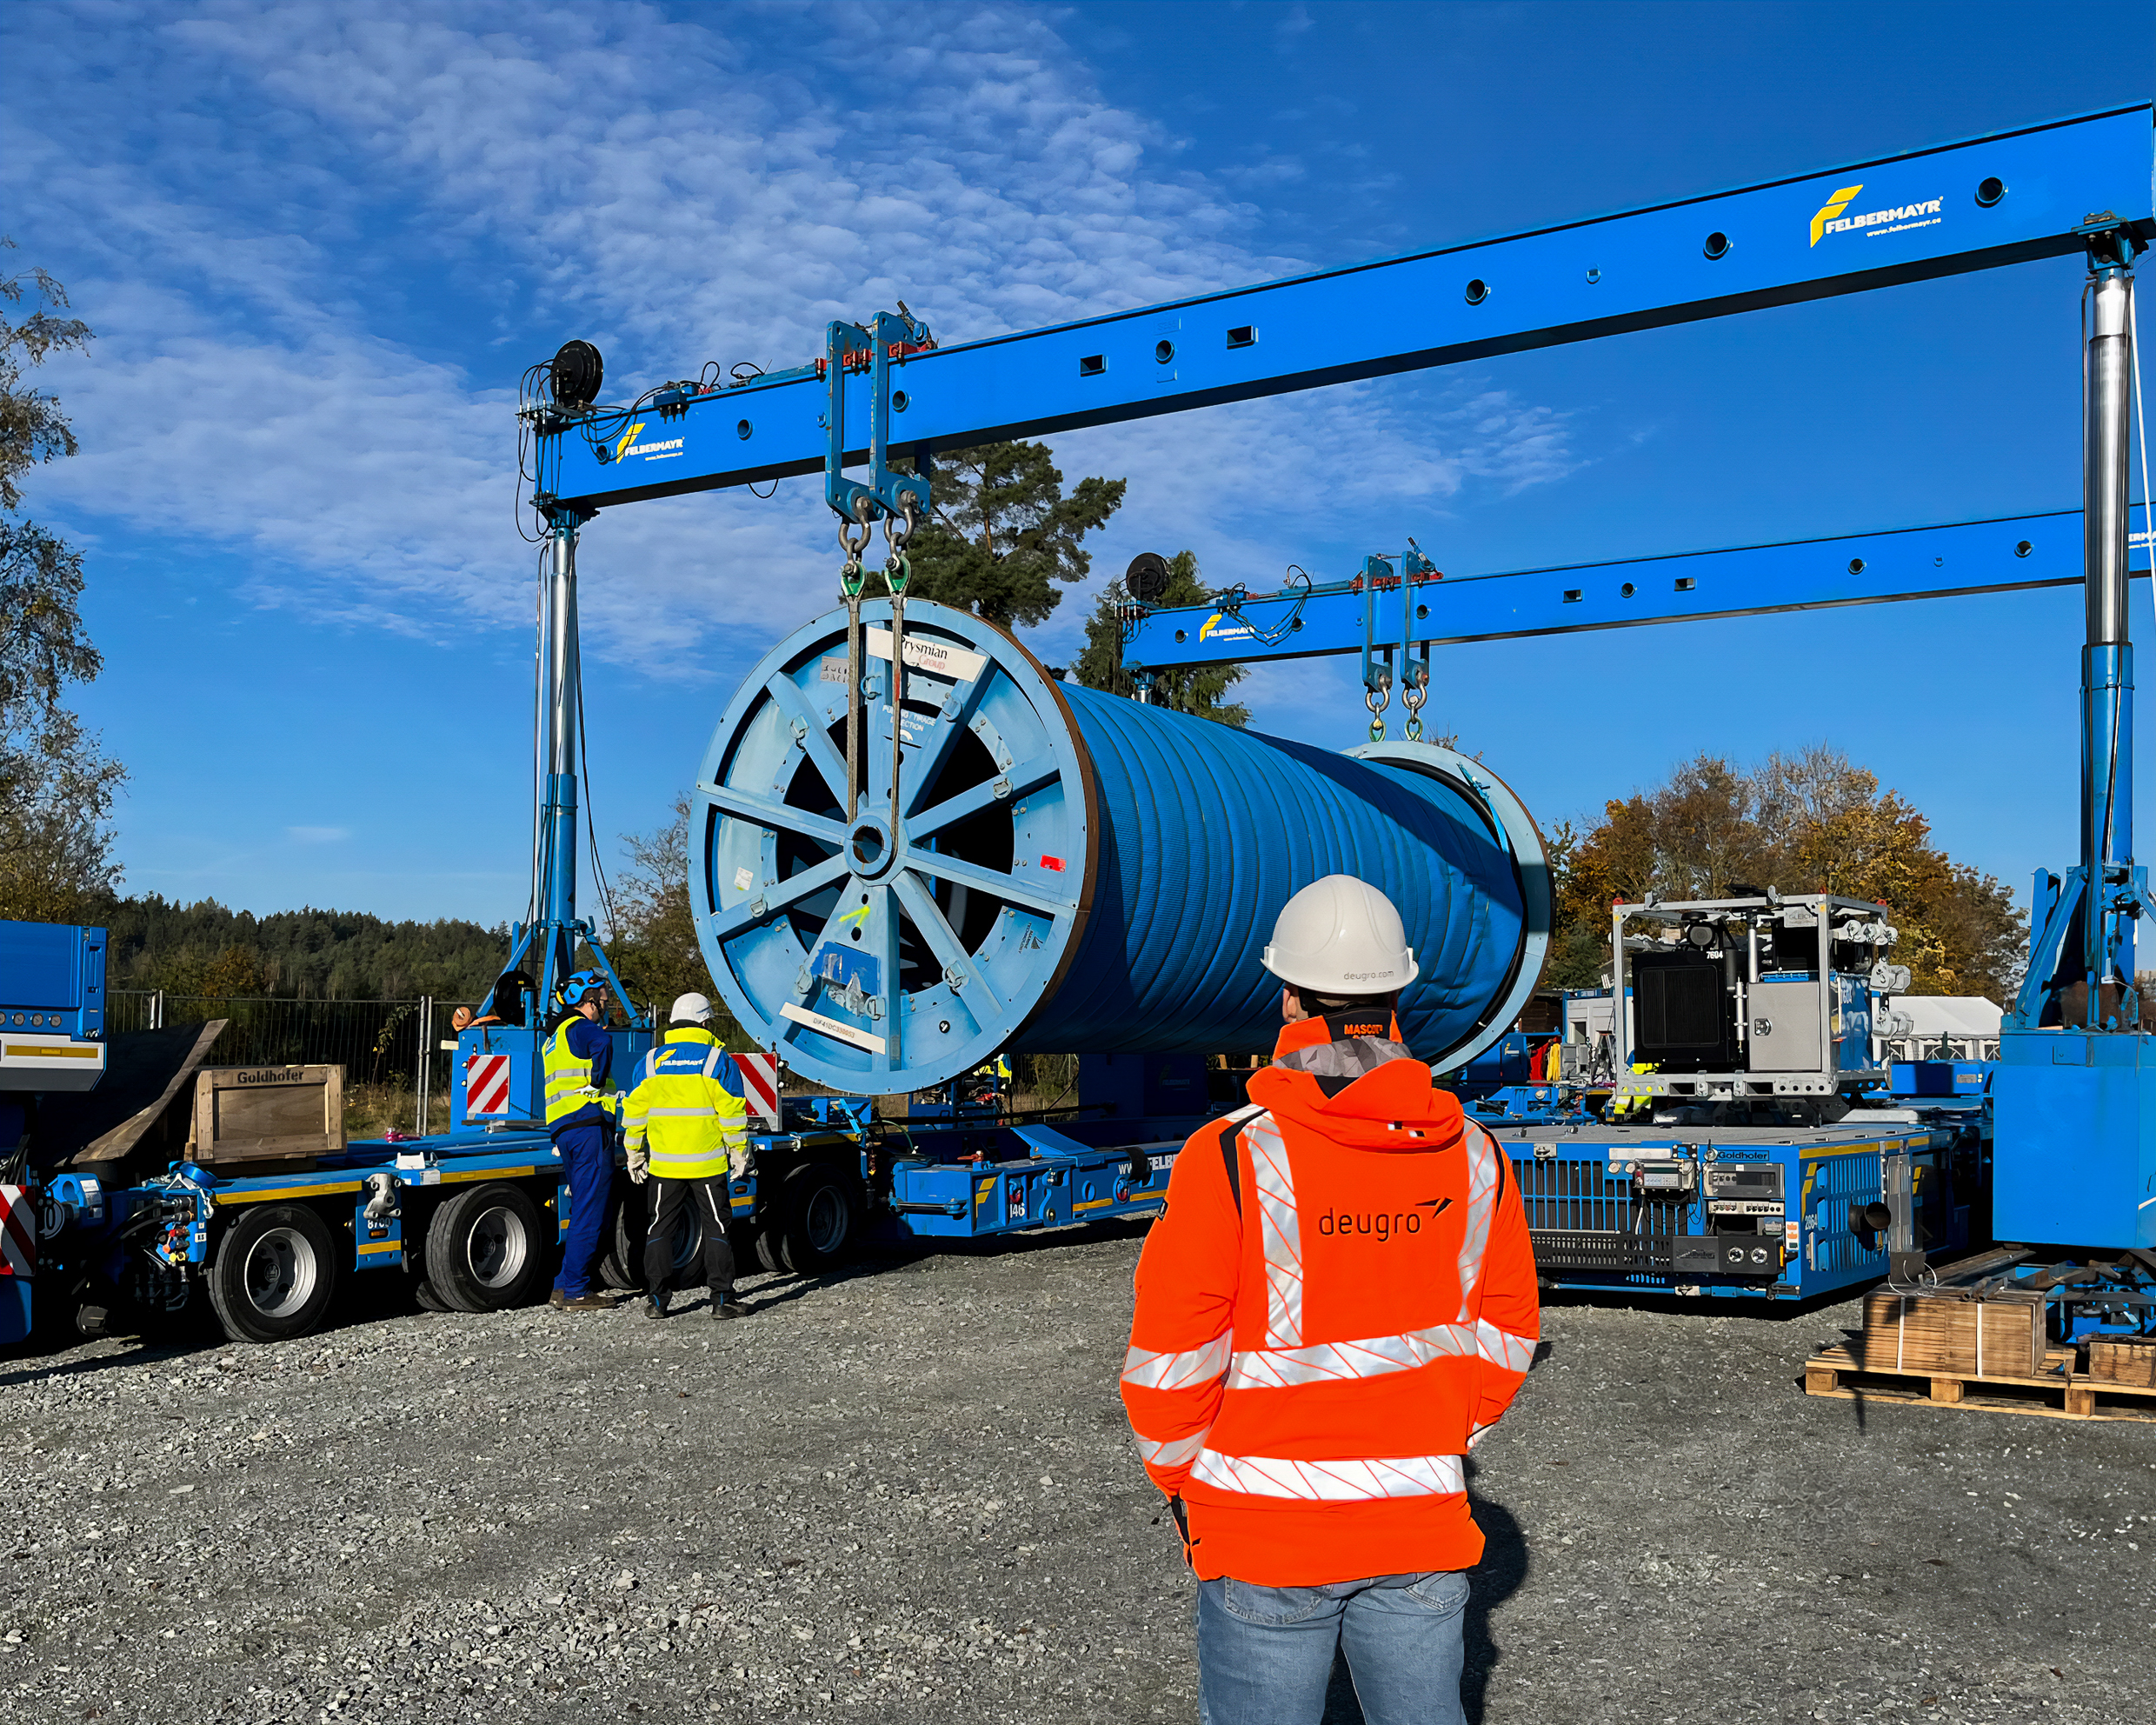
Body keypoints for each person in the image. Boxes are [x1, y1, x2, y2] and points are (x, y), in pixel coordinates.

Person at [1120, 875, 1540, 1725]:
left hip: (1260, 1538)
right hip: (1419, 1527)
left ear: (1286, 999)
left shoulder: (1230, 1158)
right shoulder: (1472, 1159)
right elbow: (1505, 1336)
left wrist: (1182, 1480)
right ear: (1396, 997)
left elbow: (1168, 1365)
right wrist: (1435, 1431)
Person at [620, 992, 751, 1322]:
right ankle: (722, 1300)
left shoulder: (650, 1062)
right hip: (707, 1164)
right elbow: (733, 1113)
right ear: (705, 1022)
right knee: (717, 1229)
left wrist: (634, 1153)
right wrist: (739, 1152)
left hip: (665, 1165)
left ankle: (658, 1302)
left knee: (660, 1229)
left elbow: (635, 1112)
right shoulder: (716, 1061)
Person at [543, 969, 622, 1313]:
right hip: (589, 1125)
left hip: (565, 1129)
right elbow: (603, 1043)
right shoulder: (582, 1027)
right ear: (587, 1001)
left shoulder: (555, 1036)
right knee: (591, 1210)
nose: (604, 1004)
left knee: (581, 1209)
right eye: (602, 999)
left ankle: (563, 1286)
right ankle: (576, 1290)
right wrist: (596, 1082)